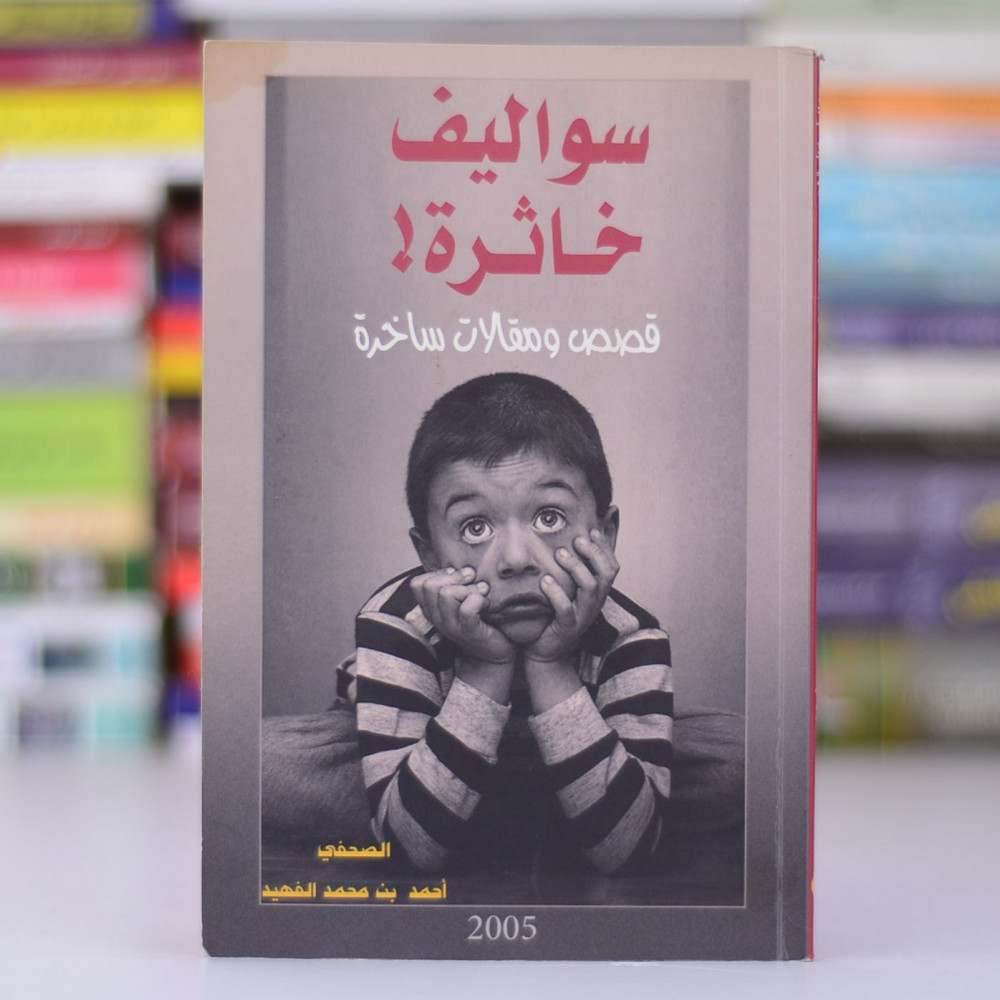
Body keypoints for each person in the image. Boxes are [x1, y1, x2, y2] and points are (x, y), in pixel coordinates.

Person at [335, 372, 673, 875]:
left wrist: (550, 664)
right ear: (429, 555)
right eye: (475, 527)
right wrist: (485, 666)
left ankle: (507, 788)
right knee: (283, 757)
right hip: (407, 717)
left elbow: (627, 851)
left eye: (549, 518)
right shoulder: (397, 625)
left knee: (730, 755)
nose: (516, 559)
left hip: (525, 750)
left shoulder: (631, 637)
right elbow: (407, 852)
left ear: (605, 533)